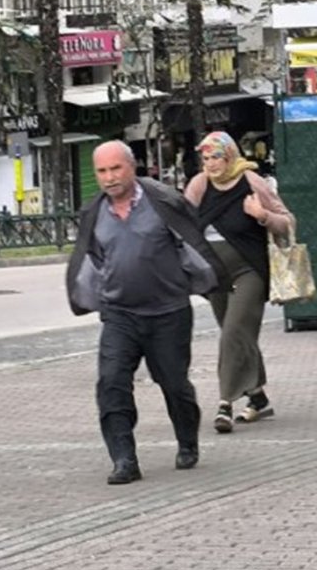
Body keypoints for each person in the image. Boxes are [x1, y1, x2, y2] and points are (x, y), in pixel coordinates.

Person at [65, 140, 228, 485]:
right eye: (102, 171)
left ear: (132, 166)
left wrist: (209, 278)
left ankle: (187, 439)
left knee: (174, 384)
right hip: (120, 314)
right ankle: (124, 458)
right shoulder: (93, 212)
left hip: (168, 312)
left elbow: (193, 242)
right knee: (111, 382)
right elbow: (90, 258)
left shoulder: (163, 202)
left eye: (116, 168)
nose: (109, 178)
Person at [184, 131, 294, 434]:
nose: (211, 164)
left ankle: (224, 403)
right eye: (205, 158)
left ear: (230, 156)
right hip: (215, 274)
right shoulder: (199, 185)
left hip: (249, 271)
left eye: (216, 157)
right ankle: (258, 398)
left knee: (233, 332)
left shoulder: (251, 182)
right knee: (240, 335)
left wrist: (261, 216)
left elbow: (286, 221)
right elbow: (181, 218)